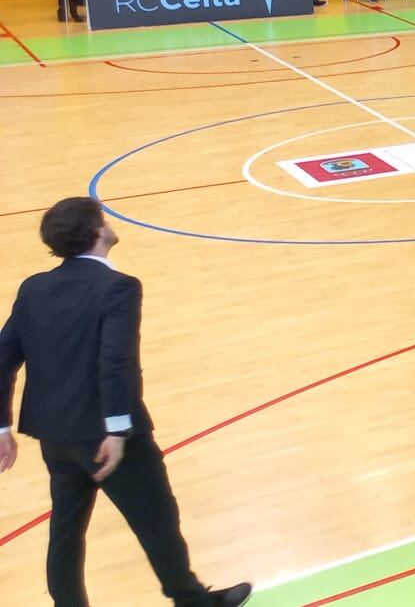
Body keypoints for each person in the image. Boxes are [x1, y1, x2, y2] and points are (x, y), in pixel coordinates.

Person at [0, 198, 254, 607]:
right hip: (108, 436)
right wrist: (117, 429)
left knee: (66, 528)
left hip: (55, 435)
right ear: (97, 232)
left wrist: (2, 428)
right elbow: (116, 360)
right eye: (104, 218)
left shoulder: (35, 287)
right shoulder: (119, 287)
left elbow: (3, 356)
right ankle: (192, 601)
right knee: (156, 519)